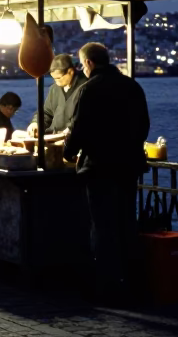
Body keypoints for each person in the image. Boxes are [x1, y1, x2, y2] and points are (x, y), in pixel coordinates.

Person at [64, 42, 151, 302]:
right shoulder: (132, 86)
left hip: (100, 167)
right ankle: (133, 282)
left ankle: (106, 285)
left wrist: (68, 152)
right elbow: (144, 125)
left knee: (102, 226)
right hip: (128, 166)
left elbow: (79, 127)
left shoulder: (89, 89)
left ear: (88, 63)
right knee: (126, 222)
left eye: (82, 64)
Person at [26, 54, 88, 137]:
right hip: (53, 135)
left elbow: (86, 117)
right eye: (54, 78)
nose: (56, 82)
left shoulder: (86, 87)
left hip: (74, 137)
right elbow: (47, 112)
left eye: (58, 78)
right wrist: (36, 123)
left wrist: (70, 130)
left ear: (70, 72)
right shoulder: (54, 88)